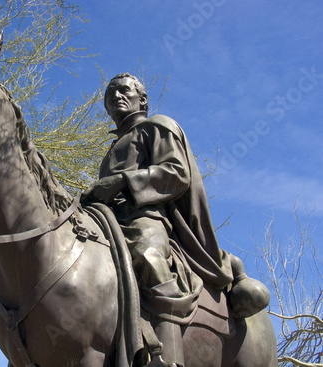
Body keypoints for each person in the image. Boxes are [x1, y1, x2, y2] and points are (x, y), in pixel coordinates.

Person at [82, 73, 269, 367]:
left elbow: (177, 173)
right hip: (110, 220)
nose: (116, 96)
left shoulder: (158, 126)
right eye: (110, 93)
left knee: (149, 255)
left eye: (123, 90)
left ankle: (164, 358)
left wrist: (120, 182)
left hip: (148, 219)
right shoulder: (114, 147)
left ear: (141, 99)